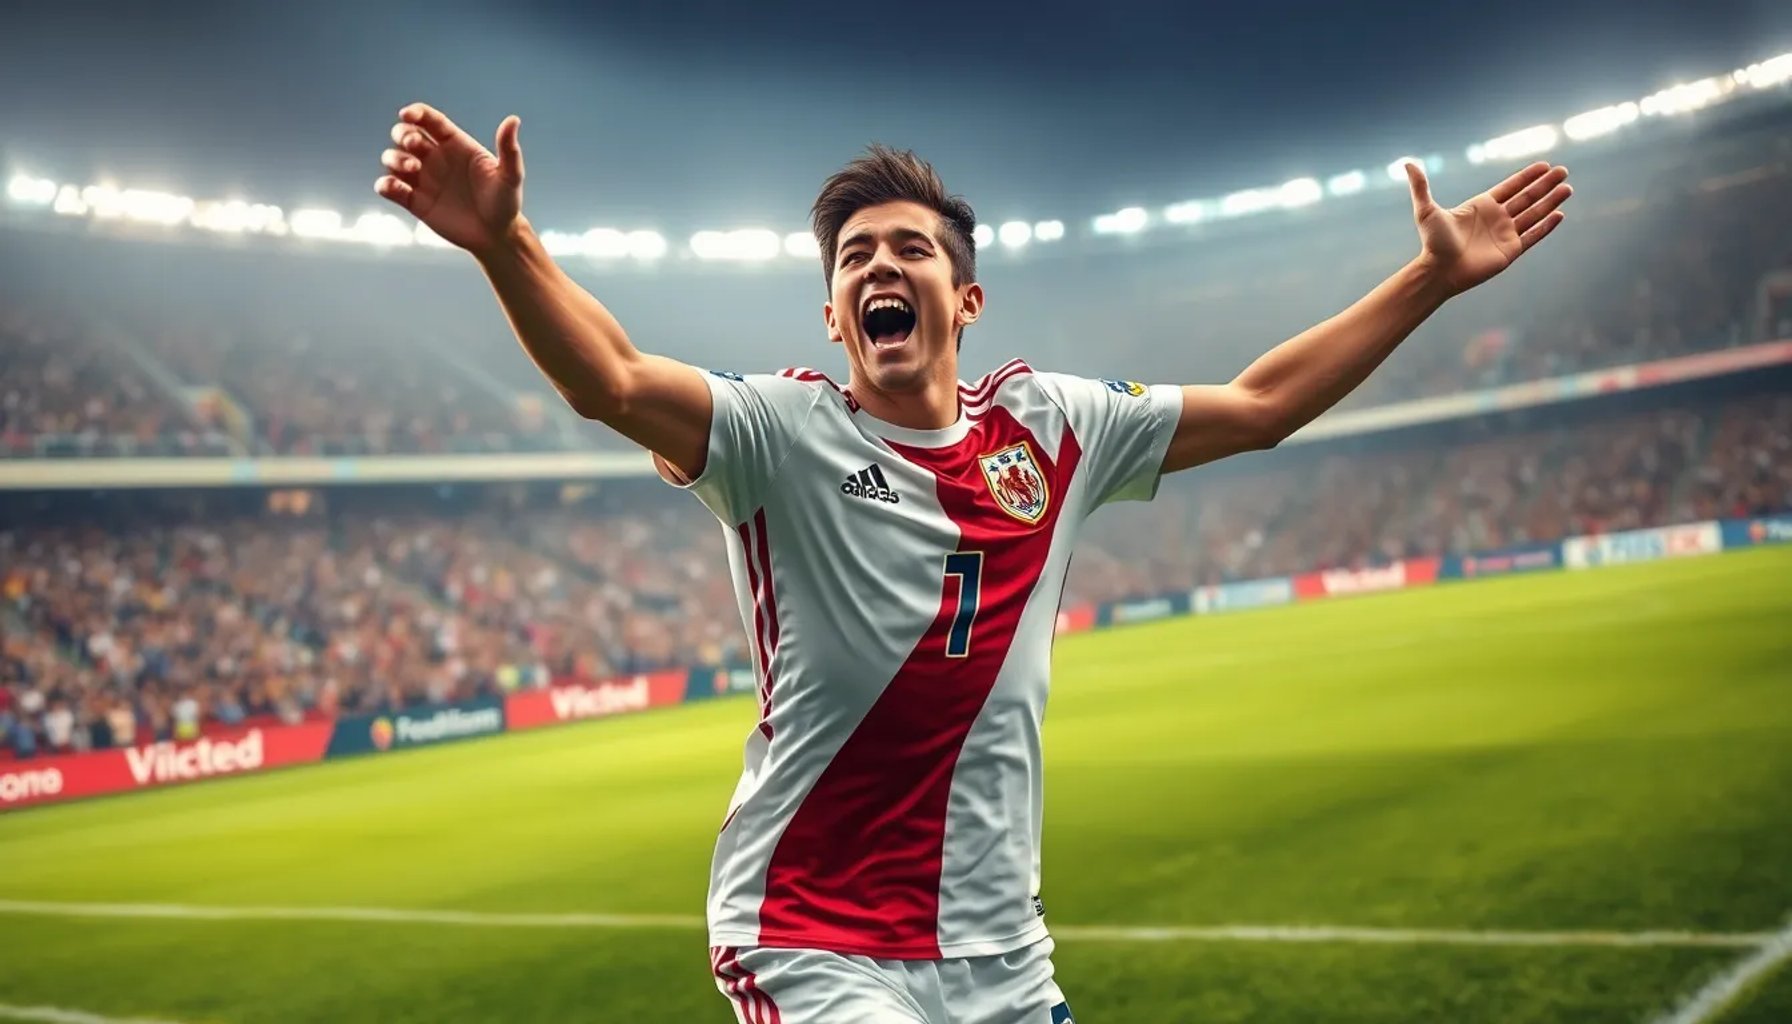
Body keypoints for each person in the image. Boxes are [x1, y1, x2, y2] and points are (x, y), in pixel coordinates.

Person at [375, 104, 1571, 1024]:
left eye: (909, 249)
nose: (879, 265)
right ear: (834, 319)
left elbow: (1260, 403)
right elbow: (615, 381)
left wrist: (1428, 278)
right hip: (812, 931)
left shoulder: (1054, 426)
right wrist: (503, 244)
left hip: (1001, 951)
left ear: (967, 296)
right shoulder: (779, 434)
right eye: (853, 258)